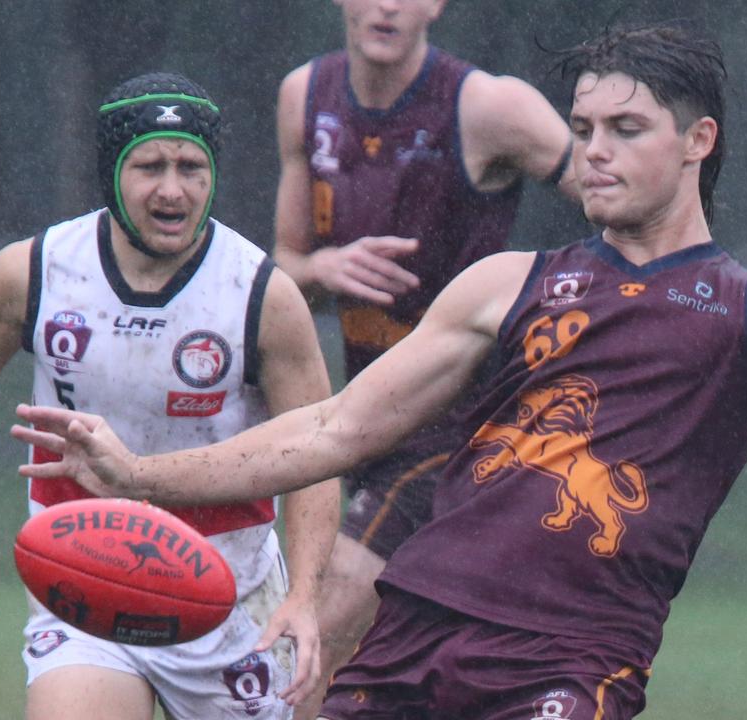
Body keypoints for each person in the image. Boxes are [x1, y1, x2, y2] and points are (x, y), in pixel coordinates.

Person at [12, 25, 747, 720]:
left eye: (624, 128)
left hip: (569, 661)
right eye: (581, 127)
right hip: (411, 630)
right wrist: (146, 477)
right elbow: (336, 431)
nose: (590, 149)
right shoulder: (505, 283)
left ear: (696, 141)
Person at [0, 72, 340, 720]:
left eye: (191, 166)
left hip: (230, 600)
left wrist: (306, 597)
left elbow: (316, 450)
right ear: (111, 171)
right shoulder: (35, 272)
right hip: (87, 582)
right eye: (149, 165)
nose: (172, 189)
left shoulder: (261, 294)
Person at [271, 0, 577, 712]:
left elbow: (621, 195)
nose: (387, 5)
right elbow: (284, 267)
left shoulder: (490, 107)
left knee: (308, 637)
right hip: (369, 421)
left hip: (467, 429)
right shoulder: (303, 95)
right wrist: (325, 268)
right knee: (382, 674)